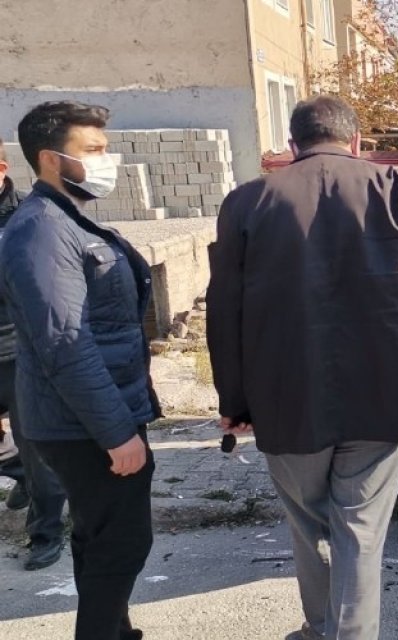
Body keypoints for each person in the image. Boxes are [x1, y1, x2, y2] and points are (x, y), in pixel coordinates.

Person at [207, 95, 398, 640]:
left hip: (285, 395)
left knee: (309, 527)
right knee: (359, 528)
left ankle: (320, 629)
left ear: (292, 147)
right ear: (357, 143)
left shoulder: (246, 201)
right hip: (389, 390)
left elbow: (225, 310)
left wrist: (233, 402)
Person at [0, 101, 159, 640]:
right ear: (51, 159)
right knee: (123, 542)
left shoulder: (67, 218)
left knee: (101, 535)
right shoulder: (41, 231)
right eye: (92, 150)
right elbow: (64, 343)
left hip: (94, 414)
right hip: (84, 425)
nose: (105, 160)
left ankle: (116, 633)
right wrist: (117, 434)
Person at [0, 136, 70, 571]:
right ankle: (19, 473)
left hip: (16, 347)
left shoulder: (28, 217)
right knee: (22, 453)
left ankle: (45, 532)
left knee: (36, 443)